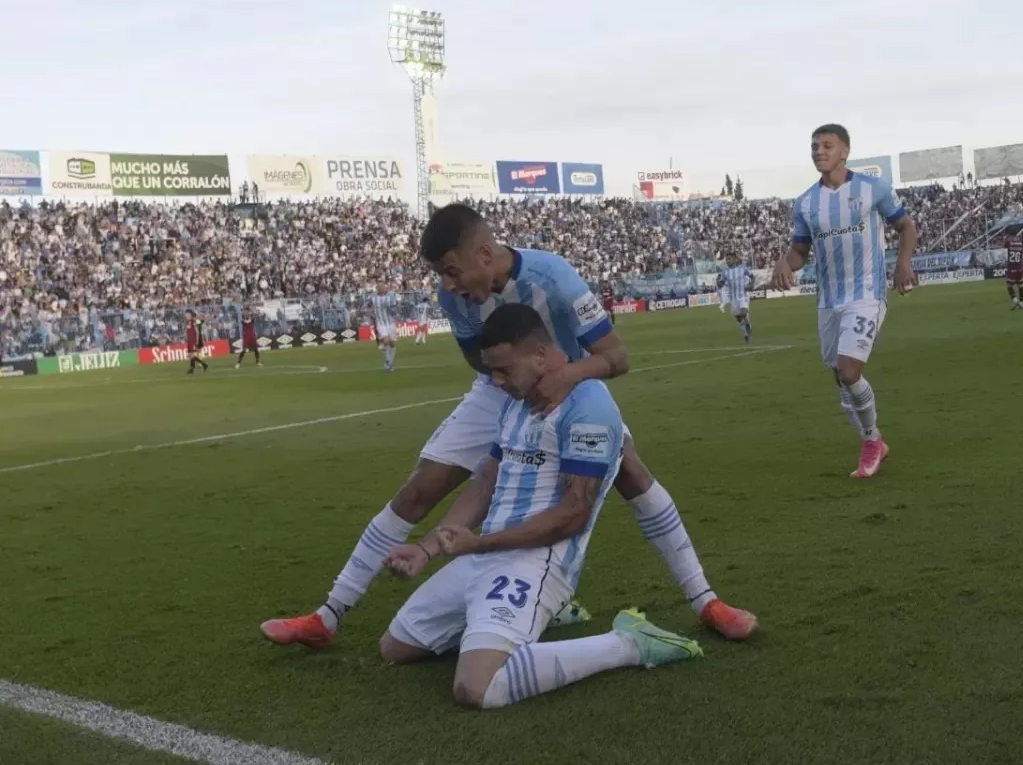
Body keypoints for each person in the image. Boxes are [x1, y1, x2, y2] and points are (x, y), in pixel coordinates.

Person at [261, 204, 756, 650]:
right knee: (418, 491)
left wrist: (562, 377)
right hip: (500, 391)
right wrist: (516, 402)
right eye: (442, 275)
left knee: (632, 476)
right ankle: (328, 615)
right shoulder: (452, 295)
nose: (449, 285)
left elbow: (617, 357)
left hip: (573, 384)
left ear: (483, 253)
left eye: (452, 271)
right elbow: (480, 365)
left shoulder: (554, 276)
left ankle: (705, 601)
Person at [377, 303, 703, 708]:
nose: (495, 382)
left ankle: (631, 642)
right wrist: (428, 548)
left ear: (540, 355)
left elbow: (573, 515)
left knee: (476, 688)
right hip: (487, 557)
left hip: (536, 564)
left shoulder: (589, 408)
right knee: (395, 647)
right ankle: (525, 621)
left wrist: (477, 544)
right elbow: (485, 483)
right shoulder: (519, 400)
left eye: (502, 370)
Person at [771, 123, 918, 479]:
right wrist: (783, 263)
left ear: (844, 151)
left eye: (826, 145)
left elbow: (906, 226)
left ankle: (870, 442)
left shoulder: (872, 188)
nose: (819, 151)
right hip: (829, 300)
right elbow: (800, 251)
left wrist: (903, 263)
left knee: (850, 371)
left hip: (866, 293)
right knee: (841, 377)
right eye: (814, 147)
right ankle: (876, 441)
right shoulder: (806, 202)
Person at [719, 252, 753, 343]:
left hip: (743, 295)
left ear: (735, 259)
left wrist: (751, 284)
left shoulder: (742, 269)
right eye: (727, 259)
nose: (727, 261)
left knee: (743, 312)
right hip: (733, 298)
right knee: (738, 318)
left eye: (729, 259)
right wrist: (719, 284)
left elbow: (752, 275)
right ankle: (746, 332)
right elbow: (721, 282)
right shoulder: (725, 271)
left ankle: (748, 325)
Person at [370, 285, 397, 370]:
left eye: (383, 288)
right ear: (377, 289)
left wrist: (389, 309)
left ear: (385, 289)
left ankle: (389, 362)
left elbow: (394, 311)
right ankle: (388, 360)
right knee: (386, 341)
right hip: (380, 323)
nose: (381, 289)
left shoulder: (391, 297)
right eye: (380, 288)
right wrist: (370, 314)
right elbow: (366, 307)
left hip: (390, 323)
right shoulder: (373, 298)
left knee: (392, 343)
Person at [1004, 230, 1023, 309]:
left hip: (1011, 267)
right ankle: (1021, 302)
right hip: (1020, 267)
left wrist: (1007, 239)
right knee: (1021, 285)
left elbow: (1004, 246)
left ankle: (1015, 300)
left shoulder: (1008, 242)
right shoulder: (1021, 242)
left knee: (1009, 285)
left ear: (1009, 235)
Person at [184, 310, 208, 375]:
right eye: (185, 314)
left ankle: (201, 366)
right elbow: (188, 331)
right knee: (190, 355)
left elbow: (196, 331)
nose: (185, 315)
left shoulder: (193, 321)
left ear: (190, 315)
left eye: (186, 314)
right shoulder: (187, 322)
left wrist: (197, 340)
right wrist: (186, 336)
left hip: (193, 340)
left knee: (191, 355)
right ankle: (195, 367)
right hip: (189, 340)